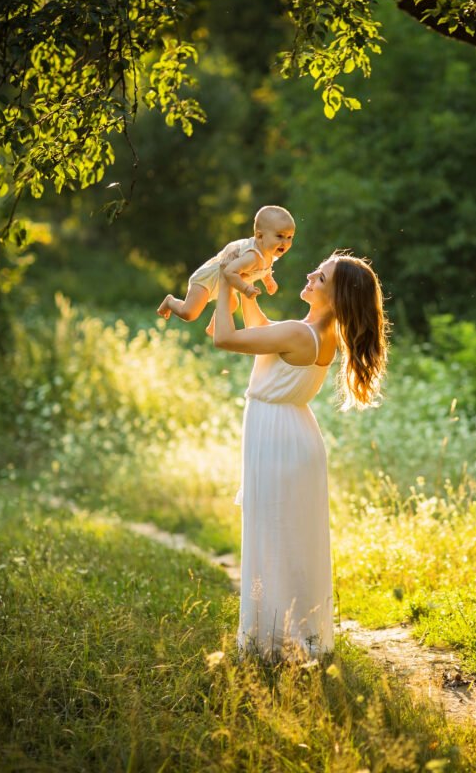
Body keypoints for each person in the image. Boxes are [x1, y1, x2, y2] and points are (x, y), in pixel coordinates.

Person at [212, 250, 389, 660]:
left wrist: (224, 282)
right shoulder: (311, 332)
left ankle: (273, 643)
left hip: (280, 441)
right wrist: (246, 291)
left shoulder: (299, 333)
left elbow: (224, 338)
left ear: (337, 297)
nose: (310, 274)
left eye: (322, 278)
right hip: (291, 437)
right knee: (283, 540)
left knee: (275, 538)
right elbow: (263, 336)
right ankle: (287, 636)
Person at [157, 205, 296, 335]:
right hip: (209, 279)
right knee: (189, 314)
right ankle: (170, 301)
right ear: (259, 236)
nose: (285, 242)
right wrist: (246, 289)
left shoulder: (268, 253)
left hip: (226, 284)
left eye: (289, 237)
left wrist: (268, 280)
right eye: (280, 236)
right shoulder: (252, 256)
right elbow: (229, 271)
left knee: (232, 304)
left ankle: (213, 327)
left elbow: (264, 268)